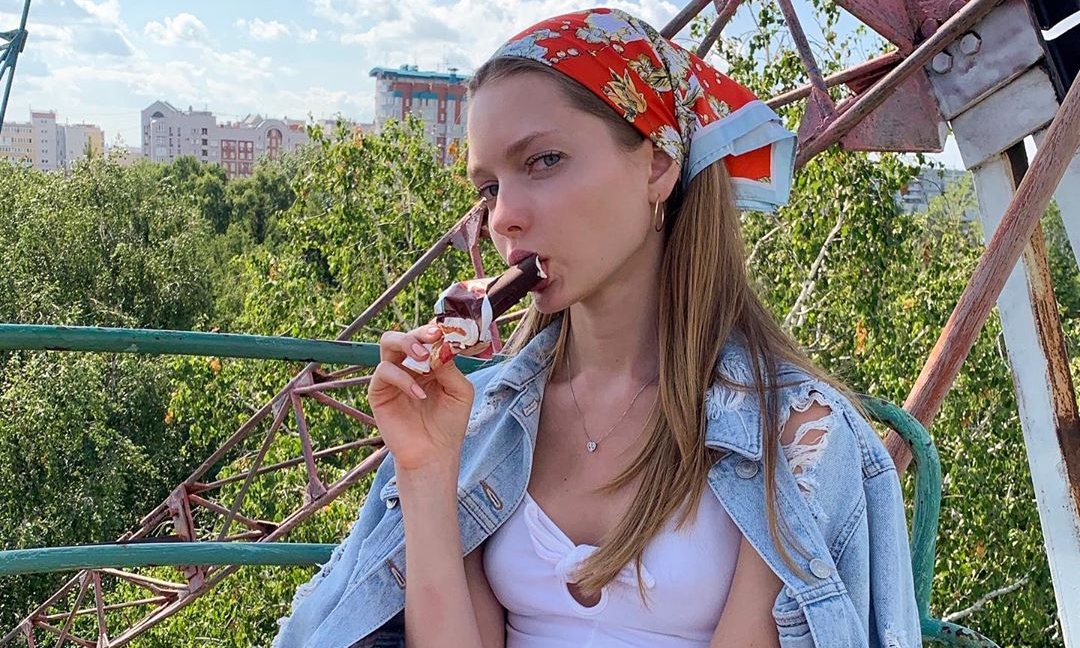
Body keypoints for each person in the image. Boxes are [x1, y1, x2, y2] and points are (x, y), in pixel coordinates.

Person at [273, 7, 920, 648]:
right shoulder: (483, 423)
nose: (502, 218)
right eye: (490, 187)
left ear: (657, 165)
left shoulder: (791, 433)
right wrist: (424, 471)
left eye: (545, 160)